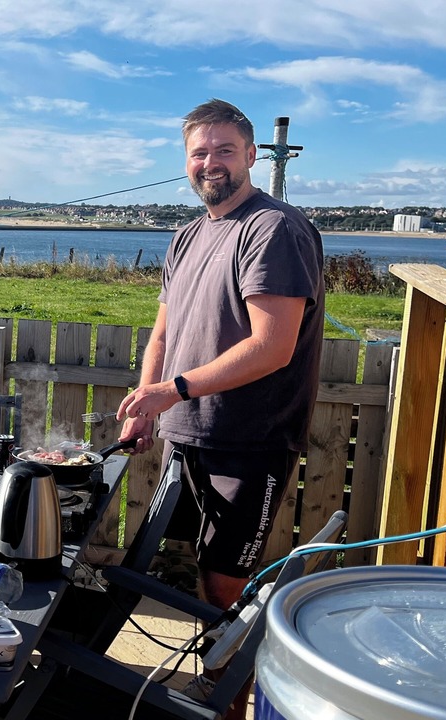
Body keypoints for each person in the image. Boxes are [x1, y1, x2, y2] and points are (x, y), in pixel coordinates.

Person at [117, 98, 325, 614]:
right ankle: (199, 689)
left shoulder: (273, 228)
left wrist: (173, 391)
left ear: (252, 154)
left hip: (249, 441)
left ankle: (230, 694)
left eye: (225, 150)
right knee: (183, 572)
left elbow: (272, 347)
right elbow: (164, 335)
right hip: (186, 434)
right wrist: (149, 404)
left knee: (225, 587)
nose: (211, 162)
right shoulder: (187, 235)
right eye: (199, 152)